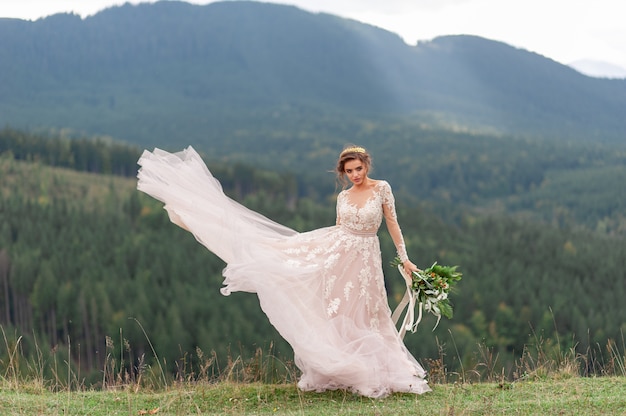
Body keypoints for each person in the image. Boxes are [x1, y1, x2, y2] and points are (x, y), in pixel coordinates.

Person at [137, 145, 430, 398]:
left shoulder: (382, 188)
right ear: (343, 173)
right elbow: (339, 229)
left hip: (367, 255)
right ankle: (346, 369)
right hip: (340, 252)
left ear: (367, 165)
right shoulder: (344, 197)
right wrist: (322, 260)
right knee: (328, 298)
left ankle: (377, 369)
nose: (355, 174)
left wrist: (404, 257)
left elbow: (392, 222)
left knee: (370, 308)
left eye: (359, 168)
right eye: (349, 171)